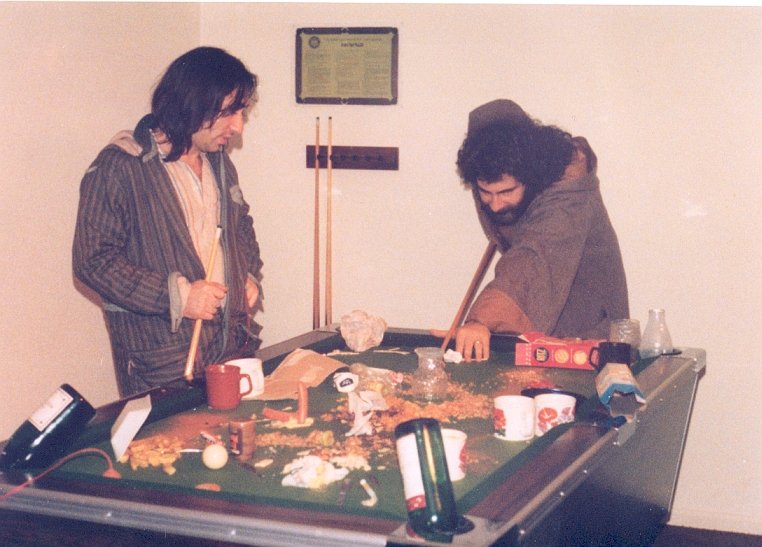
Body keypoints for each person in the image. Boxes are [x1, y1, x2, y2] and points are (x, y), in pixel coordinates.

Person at [73, 47, 263, 396]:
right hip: (161, 361)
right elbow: (93, 261)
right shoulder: (121, 166)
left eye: (242, 113)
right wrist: (178, 296)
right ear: (194, 103)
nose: (237, 127)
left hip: (229, 348)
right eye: (229, 112)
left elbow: (241, 226)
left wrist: (246, 275)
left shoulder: (219, 163)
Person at [439, 99, 628, 361]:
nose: (495, 205)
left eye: (506, 192)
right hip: (540, 319)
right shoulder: (496, 179)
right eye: (485, 192)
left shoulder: (568, 192)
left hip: (588, 329)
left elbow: (533, 256)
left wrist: (482, 320)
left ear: (531, 175)